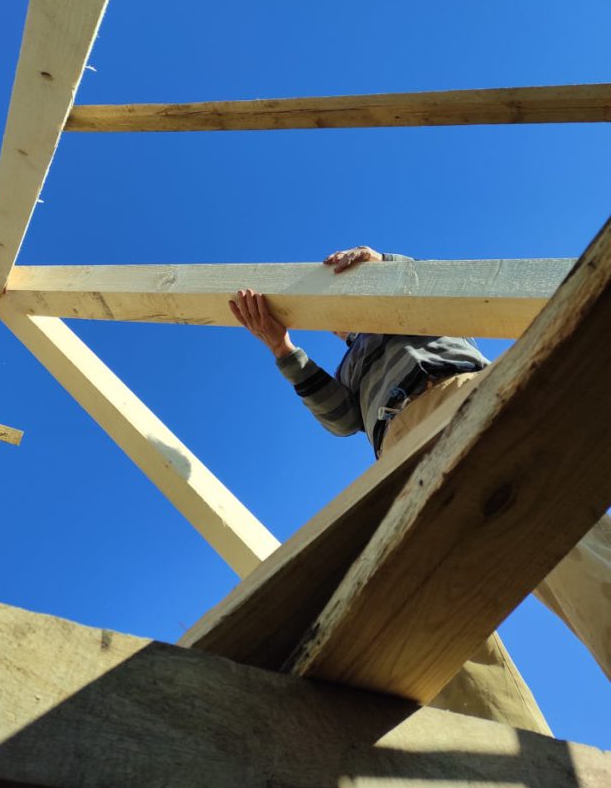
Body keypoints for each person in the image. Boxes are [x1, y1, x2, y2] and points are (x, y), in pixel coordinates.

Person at [229, 244, 610, 731]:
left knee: (559, 535)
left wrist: (380, 262)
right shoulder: (350, 367)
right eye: (329, 316)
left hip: (458, 392)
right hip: (399, 445)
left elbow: (433, 282)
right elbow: (342, 420)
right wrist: (283, 349)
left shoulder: (412, 302)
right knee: (423, 601)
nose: (336, 317)